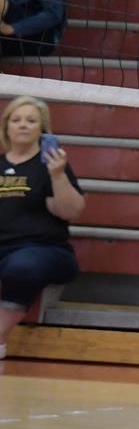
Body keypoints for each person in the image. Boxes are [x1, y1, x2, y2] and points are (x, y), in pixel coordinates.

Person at [0, 96, 83, 359]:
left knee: (23, 266)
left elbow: (70, 211)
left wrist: (57, 176)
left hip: (45, 250)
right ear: (7, 127)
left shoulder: (52, 166)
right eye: (16, 120)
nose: (23, 125)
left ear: (42, 128)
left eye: (31, 120)